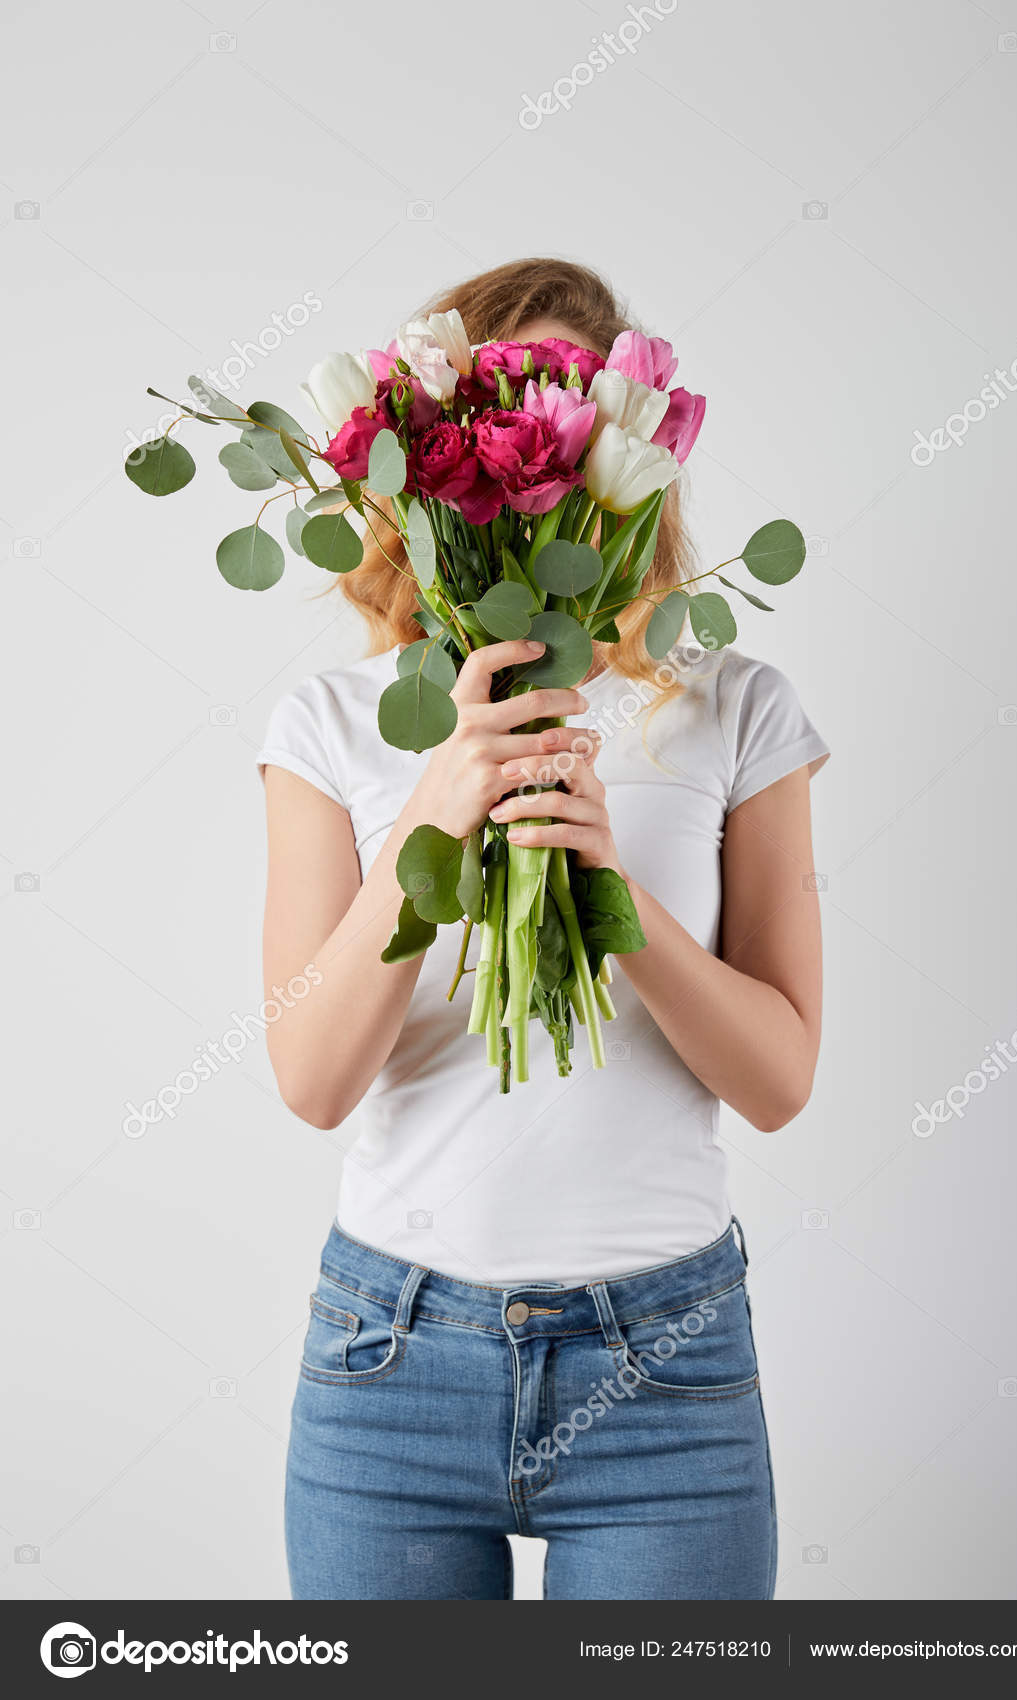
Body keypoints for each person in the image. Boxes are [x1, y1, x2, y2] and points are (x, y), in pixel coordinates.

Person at [258, 258, 829, 1600]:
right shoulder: (335, 725)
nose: (541, 431)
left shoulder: (735, 703)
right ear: (425, 444)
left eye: (576, 396)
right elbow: (312, 1080)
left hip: (665, 1368)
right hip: (388, 1361)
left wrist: (612, 900)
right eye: (500, 396)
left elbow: (781, 1079)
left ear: (634, 432)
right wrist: (434, 817)